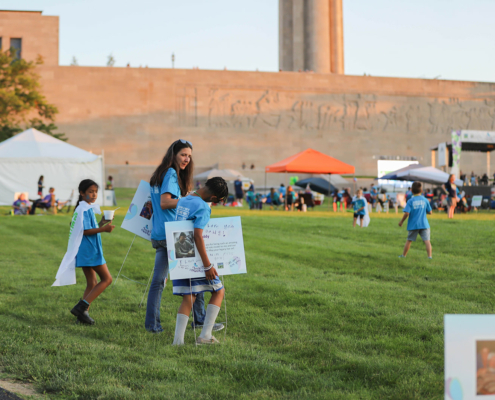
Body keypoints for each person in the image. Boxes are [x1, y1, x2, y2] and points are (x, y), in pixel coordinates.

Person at [145, 139, 222, 333]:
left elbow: (155, 202)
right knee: (195, 275)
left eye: (189, 155)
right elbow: (165, 202)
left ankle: (153, 325)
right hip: (173, 234)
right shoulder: (171, 173)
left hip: (160, 233)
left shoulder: (160, 173)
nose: (187, 159)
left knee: (159, 281)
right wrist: (190, 199)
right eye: (183, 155)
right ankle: (199, 320)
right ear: (173, 154)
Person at [172, 177, 228, 345]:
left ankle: (178, 341)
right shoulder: (203, 206)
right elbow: (197, 235)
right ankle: (205, 336)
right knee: (218, 291)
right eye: (218, 201)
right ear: (213, 198)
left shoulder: (184, 200)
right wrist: (208, 266)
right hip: (196, 258)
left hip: (180, 254)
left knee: (189, 296)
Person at [70, 179, 115, 325]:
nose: (94, 194)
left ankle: (81, 316)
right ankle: (80, 308)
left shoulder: (85, 207)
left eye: (95, 191)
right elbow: (86, 231)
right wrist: (104, 229)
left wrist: (102, 222)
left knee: (92, 283)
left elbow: (90, 227)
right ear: (82, 193)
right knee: (107, 279)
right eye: (90, 191)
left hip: (85, 250)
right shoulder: (84, 209)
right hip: (90, 250)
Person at [398, 181, 432, 259]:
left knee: (409, 240)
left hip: (414, 225)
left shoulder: (410, 201)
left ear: (412, 191)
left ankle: (403, 255)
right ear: (421, 191)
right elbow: (430, 212)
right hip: (424, 224)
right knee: (427, 241)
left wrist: (401, 221)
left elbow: (406, 213)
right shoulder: (425, 200)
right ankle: (429, 257)